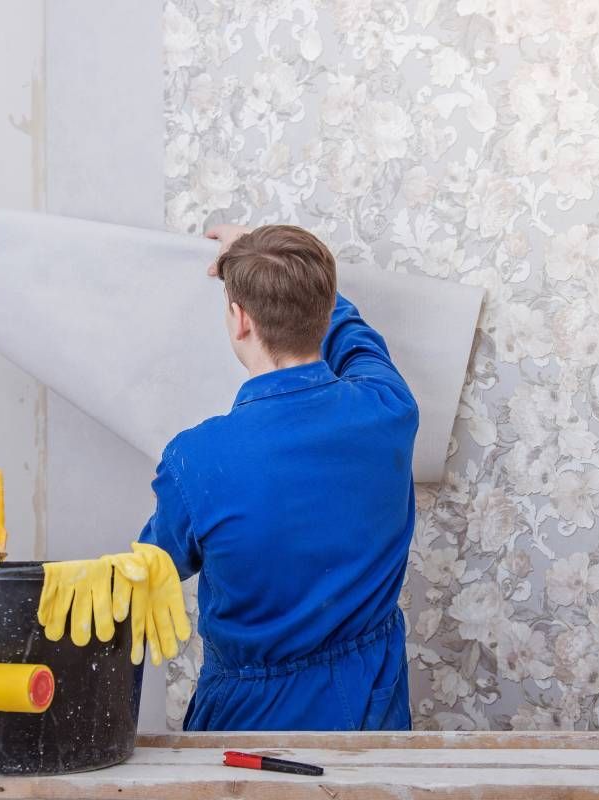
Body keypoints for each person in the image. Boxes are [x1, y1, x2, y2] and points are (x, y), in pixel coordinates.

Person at [137, 222, 418, 731]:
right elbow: (356, 340)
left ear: (239, 319)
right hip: (374, 709)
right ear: (327, 310)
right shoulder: (389, 408)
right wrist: (291, 277)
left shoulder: (196, 459)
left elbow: (150, 569)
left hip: (255, 720)